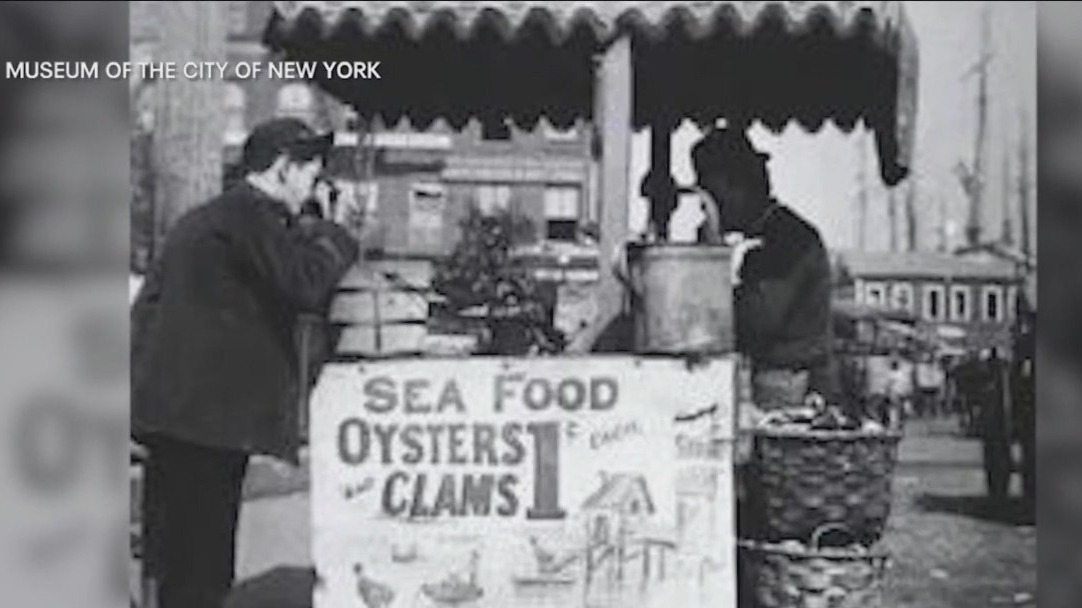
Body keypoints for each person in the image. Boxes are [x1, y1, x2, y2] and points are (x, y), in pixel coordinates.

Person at [131, 117, 359, 608]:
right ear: (281, 168)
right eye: (310, 175)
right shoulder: (252, 218)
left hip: (174, 417)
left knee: (171, 560)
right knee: (204, 570)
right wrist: (338, 234)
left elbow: (145, 310)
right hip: (207, 425)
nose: (314, 187)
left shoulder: (211, 218)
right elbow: (304, 282)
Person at [691, 126, 836, 410]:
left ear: (737, 187)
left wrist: (710, 258)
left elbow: (754, 322)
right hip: (780, 382)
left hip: (792, 389)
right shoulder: (769, 238)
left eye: (712, 196)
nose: (705, 207)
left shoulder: (788, 239)